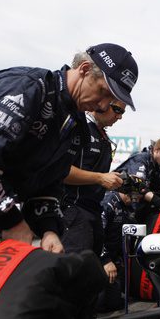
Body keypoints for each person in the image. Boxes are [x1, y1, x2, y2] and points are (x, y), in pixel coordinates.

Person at [0, 43, 138, 253]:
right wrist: (12, 221)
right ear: (84, 69)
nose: (102, 106)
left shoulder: (75, 125)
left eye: (111, 101)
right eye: (103, 92)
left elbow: (48, 183)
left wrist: (49, 230)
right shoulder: (30, 88)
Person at [61, 99, 127, 255]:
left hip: (93, 212)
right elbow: (60, 170)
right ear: (102, 104)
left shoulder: (103, 136)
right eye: (118, 110)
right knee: (74, 272)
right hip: (71, 210)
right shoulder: (77, 126)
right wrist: (100, 178)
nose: (120, 117)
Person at [114, 136, 160, 222]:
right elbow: (138, 187)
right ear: (157, 150)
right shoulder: (141, 160)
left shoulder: (158, 165)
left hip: (136, 207)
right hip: (118, 203)